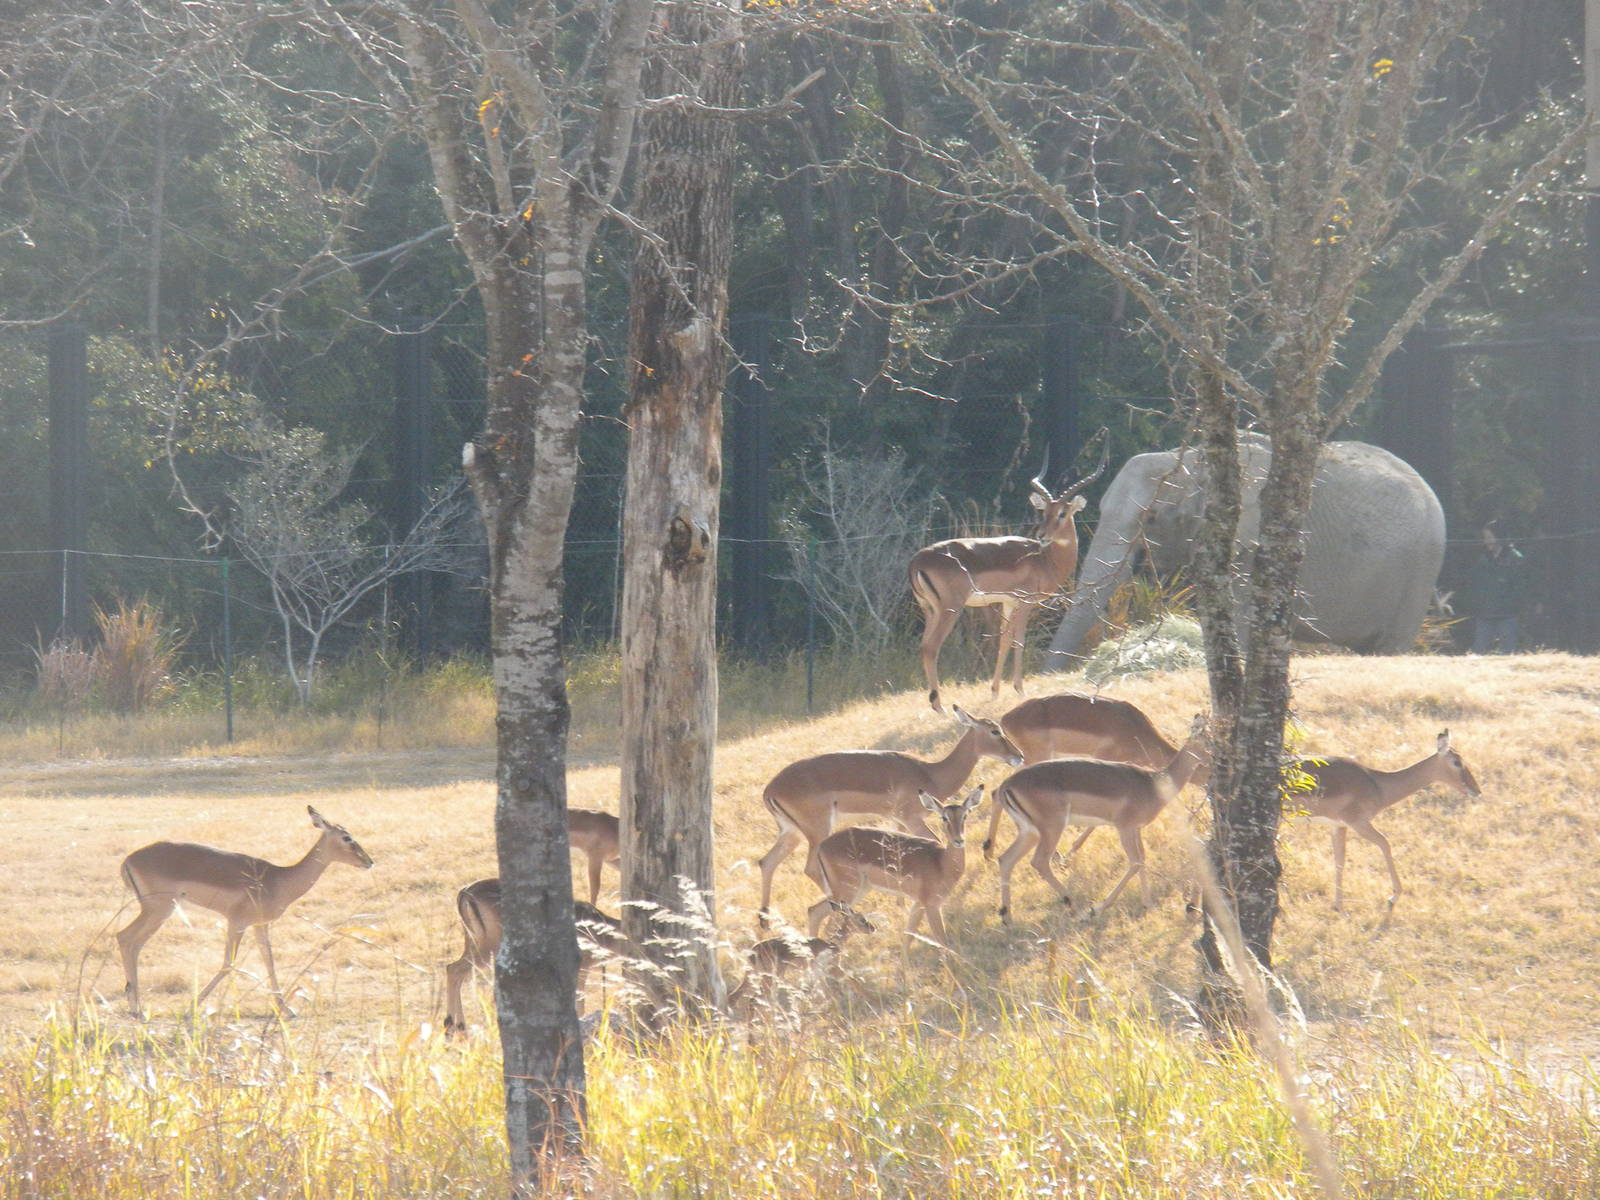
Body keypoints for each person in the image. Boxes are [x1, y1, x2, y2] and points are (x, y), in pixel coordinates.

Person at [1464, 523, 1525, 654]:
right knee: (1478, 652)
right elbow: (1477, 585)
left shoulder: (1515, 558)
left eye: (1489, 537)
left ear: (1499, 537)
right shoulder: (1483, 559)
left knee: (1508, 652)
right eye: (1485, 537)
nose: (1486, 541)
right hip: (1485, 613)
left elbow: (1520, 588)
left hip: (1507, 614)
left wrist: (1511, 605)